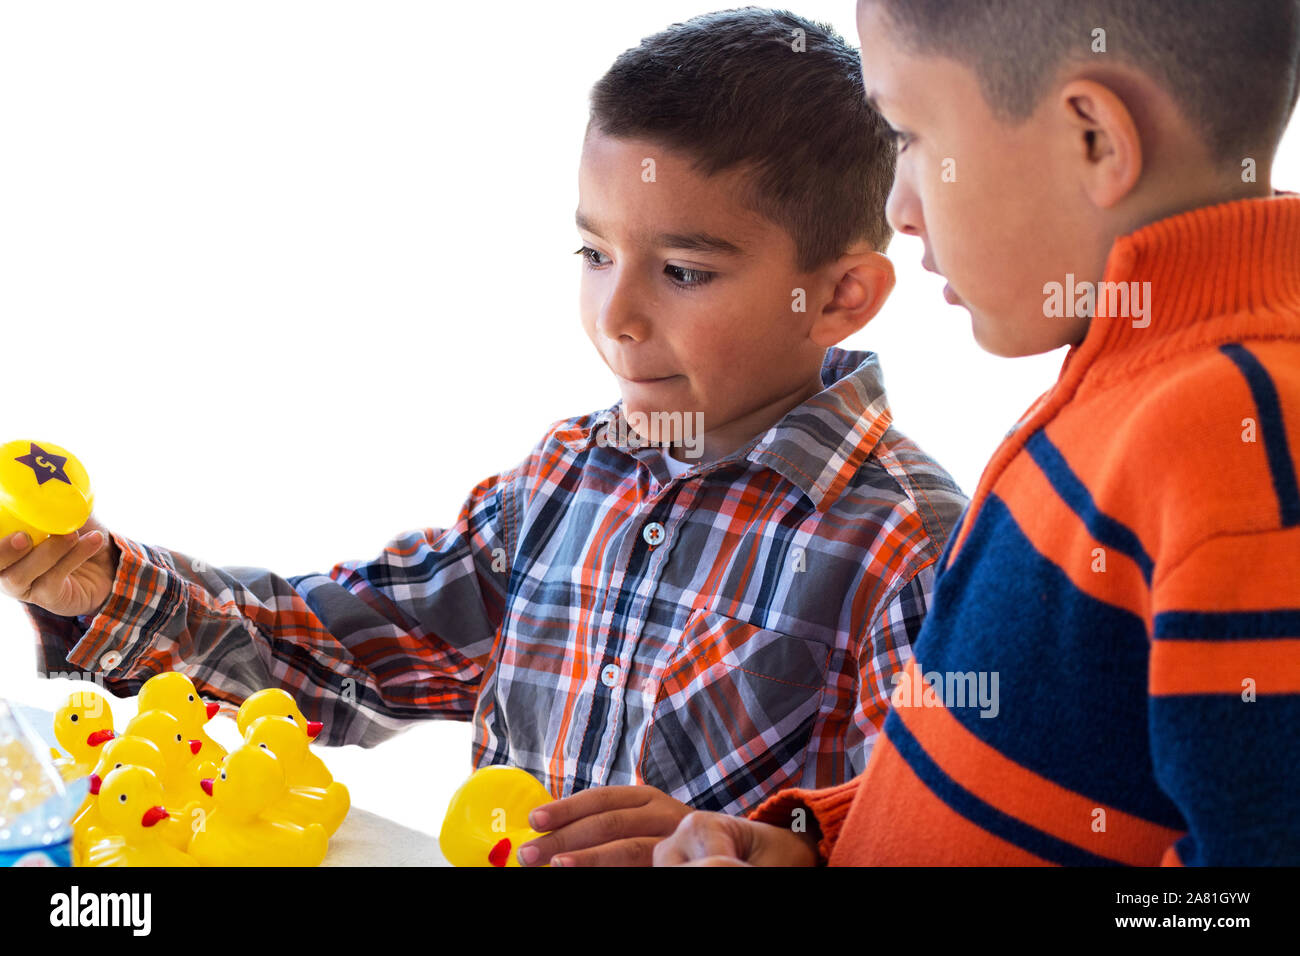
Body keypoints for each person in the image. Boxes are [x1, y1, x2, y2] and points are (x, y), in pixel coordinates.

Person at [2, 8, 966, 868]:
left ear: (841, 296)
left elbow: (935, 836)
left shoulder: (908, 547)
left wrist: (778, 847)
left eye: (681, 271)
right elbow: (334, 658)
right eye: (594, 254)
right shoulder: (564, 481)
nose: (615, 315)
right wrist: (105, 584)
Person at [655, 0, 1300, 867]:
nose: (900, 207)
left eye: (910, 137)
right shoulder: (1125, 381)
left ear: (1094, 140)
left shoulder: (1239, 438)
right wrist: (816, 840)